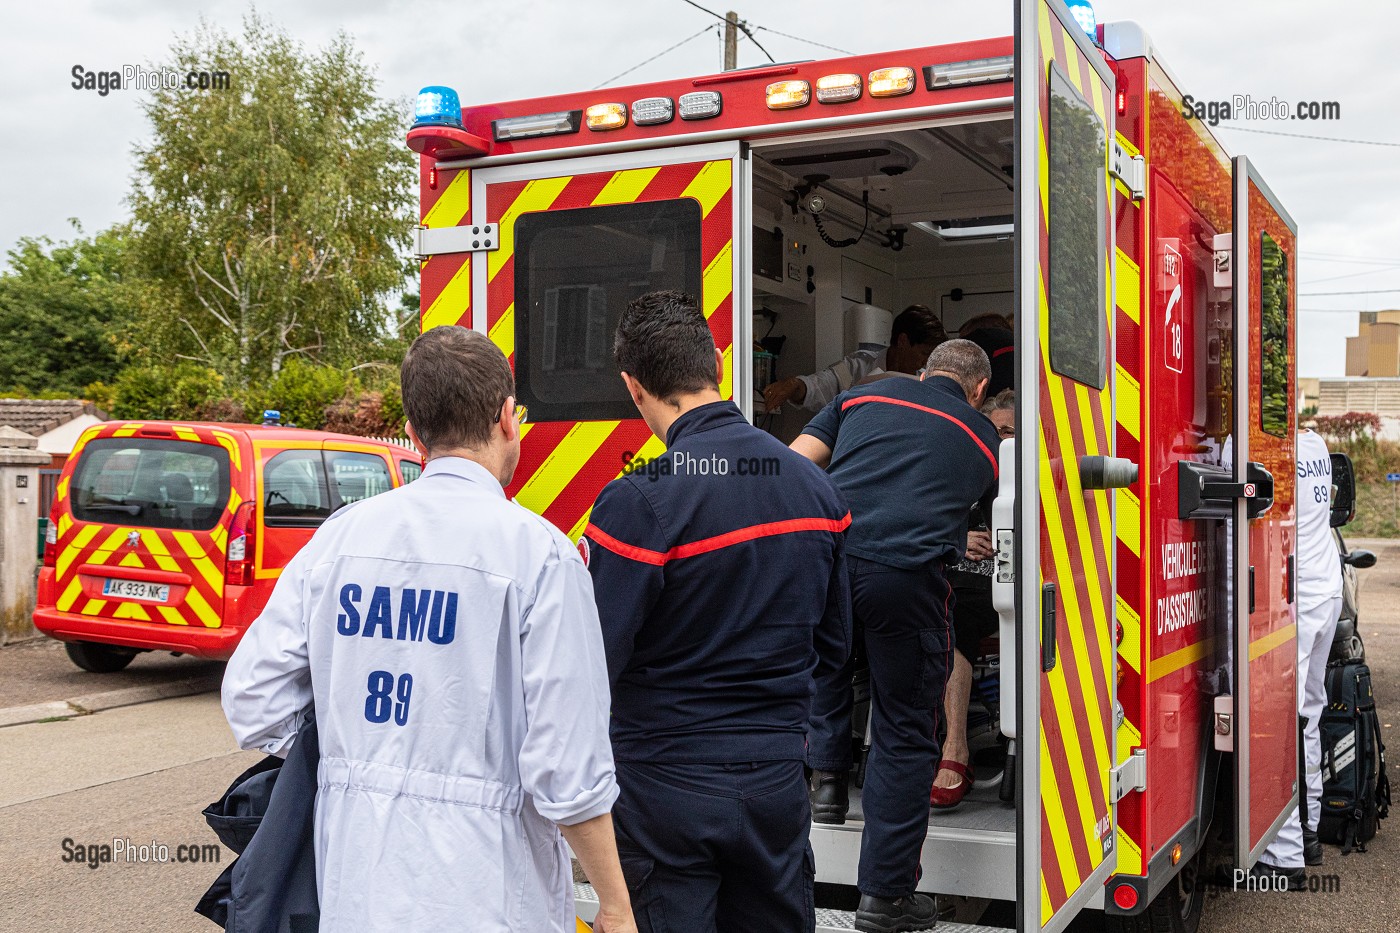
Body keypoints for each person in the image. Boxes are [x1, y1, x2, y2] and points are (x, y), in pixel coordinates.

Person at [222, 326, 636, 933]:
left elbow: (252, 699)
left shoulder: (339, 538)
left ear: (413, 435)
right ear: (505, 418)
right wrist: (616, 905)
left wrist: (354, 752)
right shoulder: (539, 555)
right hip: (486, 890)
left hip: (355, 889)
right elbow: (567, 769)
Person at [584, 290, 851, 933]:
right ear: (718, 368)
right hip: (776, 785)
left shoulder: (638, 502)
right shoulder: (816, 489)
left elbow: (592, 665)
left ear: (634, 386)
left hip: (662, 791)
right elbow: (836, 649)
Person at [793, 339, 1000, 932]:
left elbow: (796, 461)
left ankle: (827, 783)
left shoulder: (860, 397)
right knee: (906, 730)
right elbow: (967, 510)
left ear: (924, 371)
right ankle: (885, 897)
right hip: (904, 580)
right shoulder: (984, 438)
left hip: (831, 557)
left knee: (824, 667)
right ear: (979, 388)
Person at [1254, 426, 1346, 887]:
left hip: (1294, 601)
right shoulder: (1313, 444)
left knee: (1277, 723)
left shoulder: (1258, 447)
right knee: (1306, 715)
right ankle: (1308, 832)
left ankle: (1285, 854)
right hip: (1325, 592)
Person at [931, 389, 1016, 810]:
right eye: (995, 430)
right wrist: (957, 537)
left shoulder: (1029, 476)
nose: (1001, 441)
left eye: (1011, 434)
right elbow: (924, 519)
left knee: (956, 614)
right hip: (946, 575)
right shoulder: (955, 467)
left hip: (1000, 586)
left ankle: (955, 748)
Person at [763, 304, 947, 413]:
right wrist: (795, 384)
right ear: (903, 341)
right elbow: (820, 386)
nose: (926, 362)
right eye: (924, 353)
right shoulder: (857, 368)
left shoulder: (928, 383)